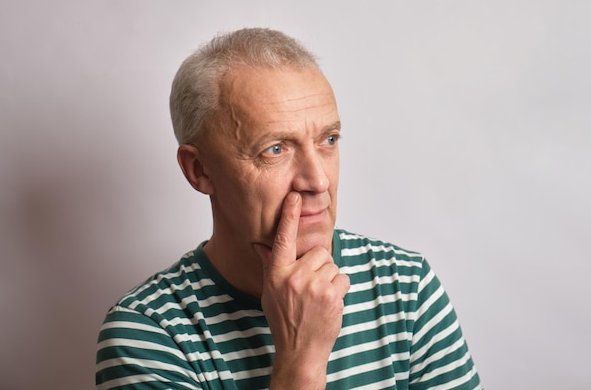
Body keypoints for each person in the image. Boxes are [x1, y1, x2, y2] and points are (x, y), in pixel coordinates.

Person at [96, 28, 482, 390]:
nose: (318, 181)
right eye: (276, 149)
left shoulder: (406, 287)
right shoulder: (147, 332)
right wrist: (302, 362)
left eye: (328, 139)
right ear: (200, 171)